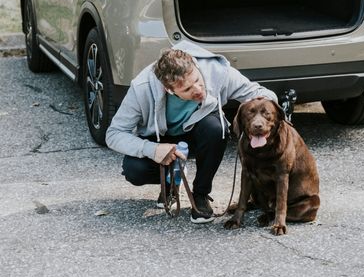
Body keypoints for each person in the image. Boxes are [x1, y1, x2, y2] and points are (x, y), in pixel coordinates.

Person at [106, 40, 278, 224]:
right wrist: (153, 149)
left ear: (196, 66)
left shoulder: (216, 70)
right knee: (134, 170)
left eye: (197, 80)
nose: (198, 90)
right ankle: (173, 177)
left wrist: (258, 116)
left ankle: (201, 194)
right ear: (169, 90)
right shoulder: (141, 88)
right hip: (161, 140)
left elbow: (265, 95)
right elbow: (114, 134)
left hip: (198, 135)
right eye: (187, 89)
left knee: (216, 129)